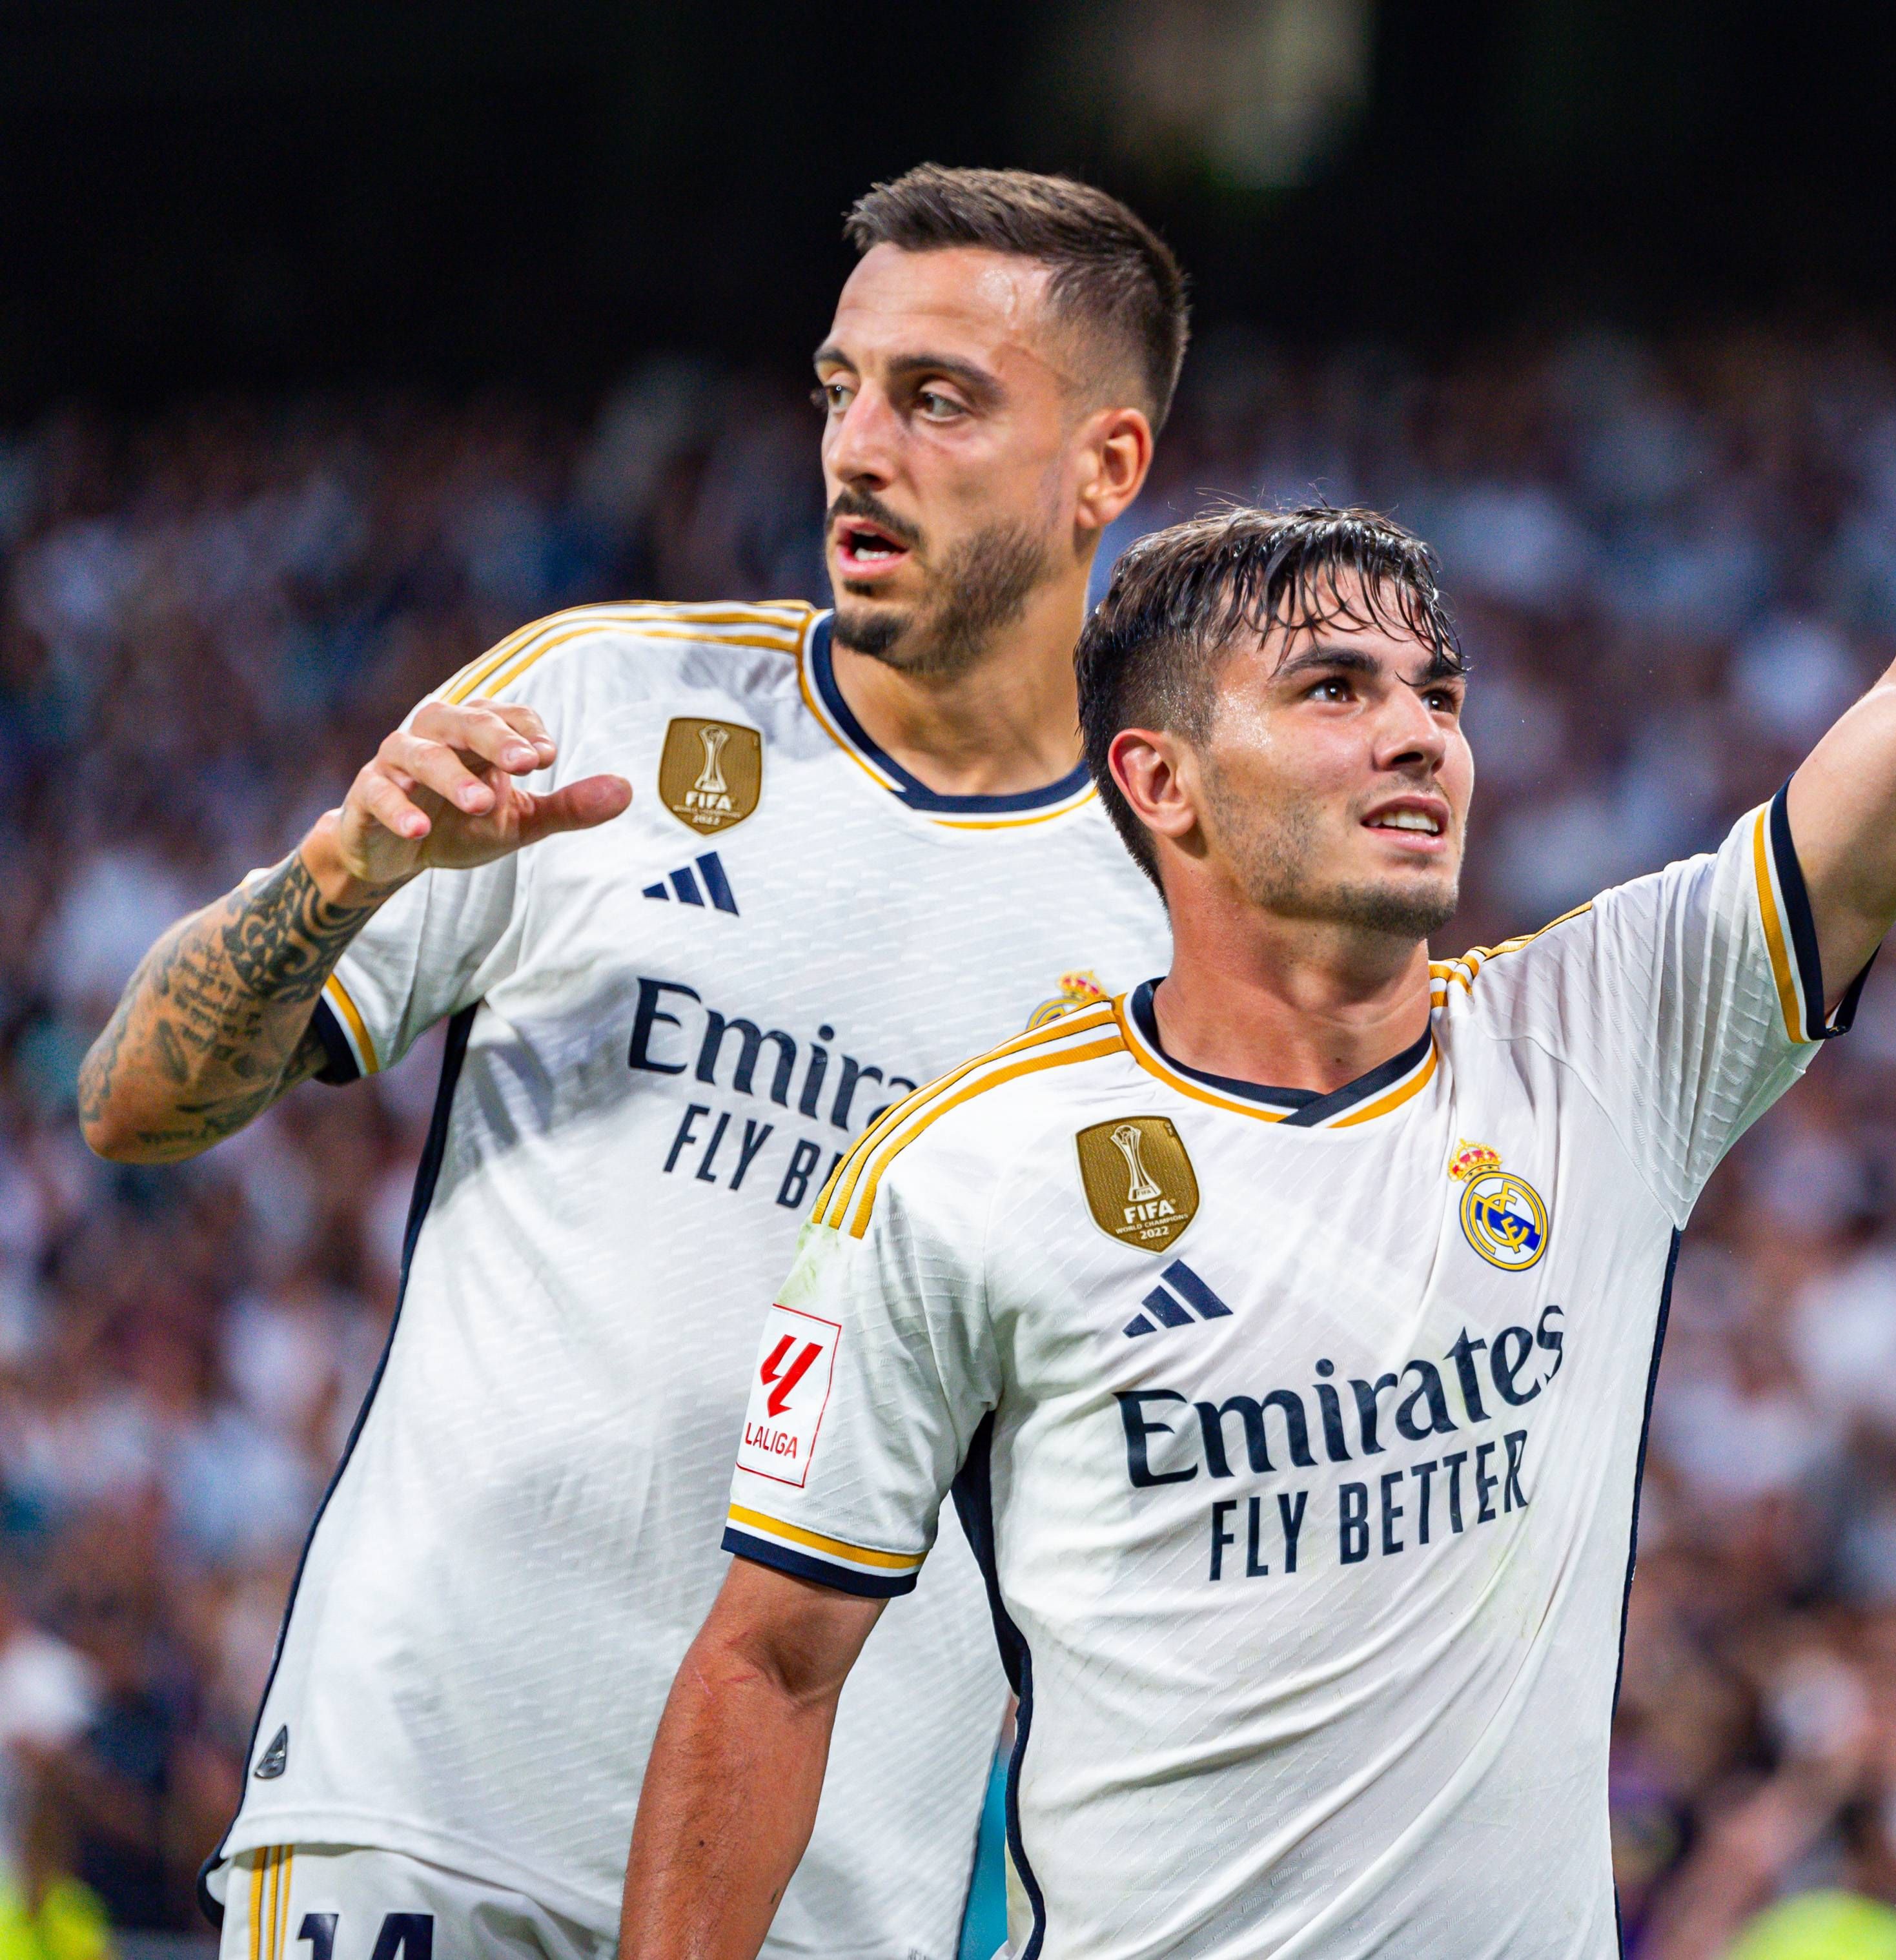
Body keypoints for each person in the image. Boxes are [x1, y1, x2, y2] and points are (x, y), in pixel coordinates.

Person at [620, 93, 1896, 1960]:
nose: (1416, 732)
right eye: (1332, 688)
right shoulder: (964, 1170)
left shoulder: (1598, 1039)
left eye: (1433, 690)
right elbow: (770, 1666)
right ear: (1164, 783)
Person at [74, 167, 1186, 1960]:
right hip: (429, 1810)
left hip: (832, 1903)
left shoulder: (1165, 935)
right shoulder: (599, 707)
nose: (856, 447)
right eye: (839, 388)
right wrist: (342, 870)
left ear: (1106, 469)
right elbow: (135, 1100)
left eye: (937, 398)